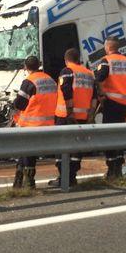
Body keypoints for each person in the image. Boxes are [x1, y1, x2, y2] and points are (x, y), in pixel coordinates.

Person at [49, 48, 97, 187]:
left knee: (61, 147)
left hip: (66, 116)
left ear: (66, 59)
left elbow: (66, 91)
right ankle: (72, 176)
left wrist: (70, 112)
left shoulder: (67, 71)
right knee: (77, 148)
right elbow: (94, 96)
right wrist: (91, 114)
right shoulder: (89, 74)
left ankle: (63, 177)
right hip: (83, 116)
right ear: (78, 59)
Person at [95, 37, 126, 180]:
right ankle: (119, 168)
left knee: (109, 136)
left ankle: (111, 170)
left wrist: (98, 90)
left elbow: (99, 77)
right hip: (124, 105)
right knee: (119, 135)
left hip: (111, 102)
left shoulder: (106, 60)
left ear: (107, 47)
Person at [13, 56, 58, 189]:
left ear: (26, 67)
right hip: (49, 123)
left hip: (31, 123)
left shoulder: (29, 82)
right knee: (27, 153)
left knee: (27, 153)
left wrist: (14, 104)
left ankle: (29, 181)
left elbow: (20, 104)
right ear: (39, 65)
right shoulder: (51, 80)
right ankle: (19, 181)